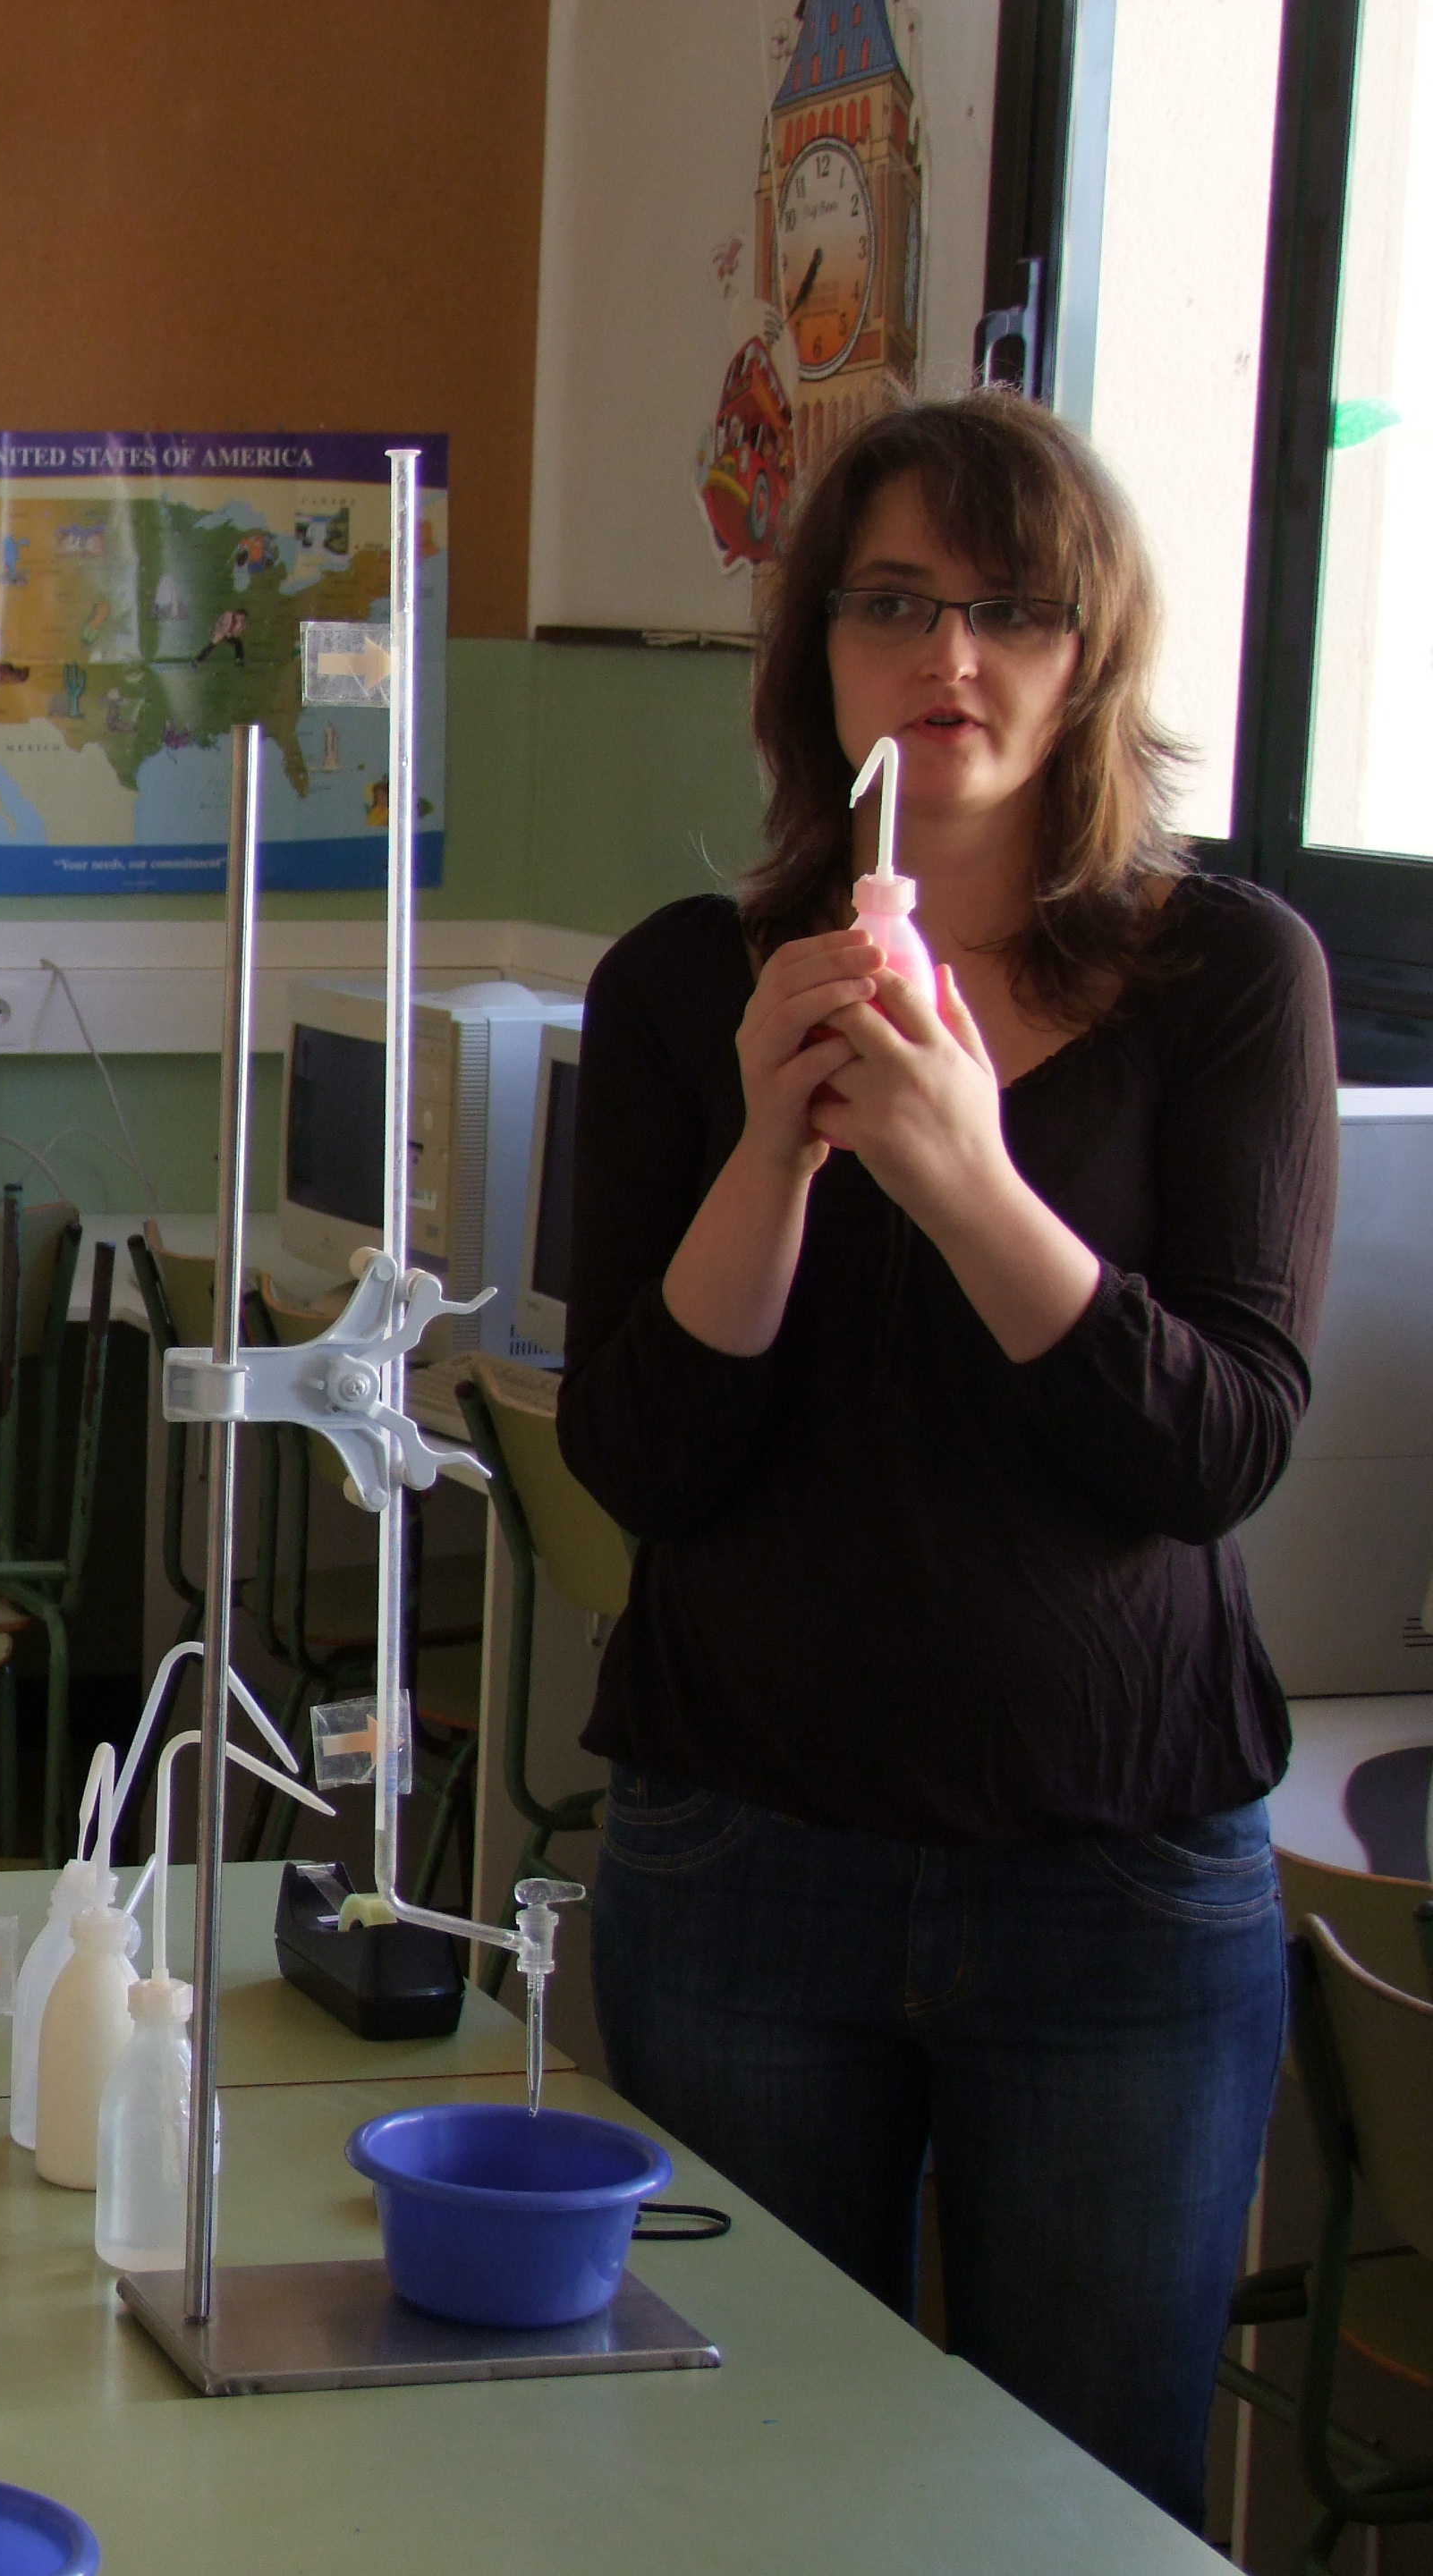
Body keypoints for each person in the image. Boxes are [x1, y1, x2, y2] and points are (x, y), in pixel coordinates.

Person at [556, 390, 1337, 2525]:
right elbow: (645, 1458)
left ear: (1092, 657)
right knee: (739, 2489)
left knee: (1079, 2505)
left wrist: (969, 1173)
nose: (952, 659)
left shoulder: (1231, 980)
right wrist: (772, 1150)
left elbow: (1217, 1452)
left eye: (1013, 611)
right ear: (818, 648)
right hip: (744, 1864)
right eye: (893, 604)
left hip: (1119, 1884)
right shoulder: (682, 988)